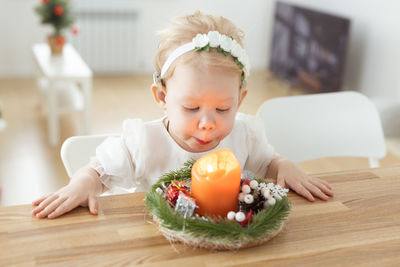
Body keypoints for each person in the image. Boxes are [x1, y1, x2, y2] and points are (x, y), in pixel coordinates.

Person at [32, 11, 333, 219]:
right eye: (191, 108)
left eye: (223, 108)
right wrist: (82, 183)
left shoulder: (244, 136)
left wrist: (284, 164)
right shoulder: (144, 143)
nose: (208, 123)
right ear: (162, 96)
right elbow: (98, 172)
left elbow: (267, 163)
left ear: (240, 100)